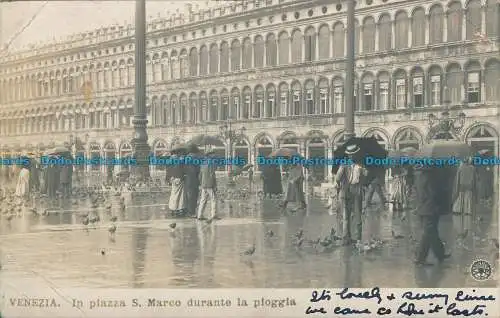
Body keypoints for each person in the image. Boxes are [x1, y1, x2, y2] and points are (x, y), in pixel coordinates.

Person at [414, 165, 450, 266]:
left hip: (422, 207)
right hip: (430, 208)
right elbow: (433, 193)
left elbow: (417, 192)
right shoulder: (431, 177)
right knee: (428, 233)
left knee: (432, 232)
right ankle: (420, 258)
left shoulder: (418, 175)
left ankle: (440, 254)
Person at [333, 144, 368, 245]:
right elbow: (338, 178)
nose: (351, 157)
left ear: (356, 154)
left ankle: (358, 239)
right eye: (350, 155)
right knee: (346, 216)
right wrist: (340, 184)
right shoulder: (344, 164)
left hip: (357, 189)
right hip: (347, 190)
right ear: (348, 155)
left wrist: (363, 171)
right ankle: (346, 238)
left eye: (353, 154)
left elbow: (366, 177)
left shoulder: (361, 164)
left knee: (358, 216)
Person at [452, 157, 478, 235]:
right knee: (468, 199)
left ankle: (458, 209)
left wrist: (456, 188)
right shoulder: (472, 168)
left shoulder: (460, 167)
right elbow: (474, 179)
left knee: (461, 198)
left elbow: (457, 179)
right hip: (469, 186)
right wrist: (474, 188)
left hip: (461, 186)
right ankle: (467, 210)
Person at [197, 151, 218, 220]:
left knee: (203, 200)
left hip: (204, 184)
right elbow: (212, 175)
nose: (214, 155)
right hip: (210, 184)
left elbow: (200, 175)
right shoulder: (212, 163)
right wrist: (214, 185)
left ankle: (199, 215)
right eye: (213, 154)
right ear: (210, 155)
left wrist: (200, 183)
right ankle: (213, 215)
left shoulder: (202, 163)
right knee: (213, 199)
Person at [184, 145, 201, 217]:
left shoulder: (186, 158)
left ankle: (189, 211)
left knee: (189, 195)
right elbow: (195, 170)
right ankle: (191, 212)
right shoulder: (194, 158)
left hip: (187, 179)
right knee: (193, 196)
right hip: (193, 179)